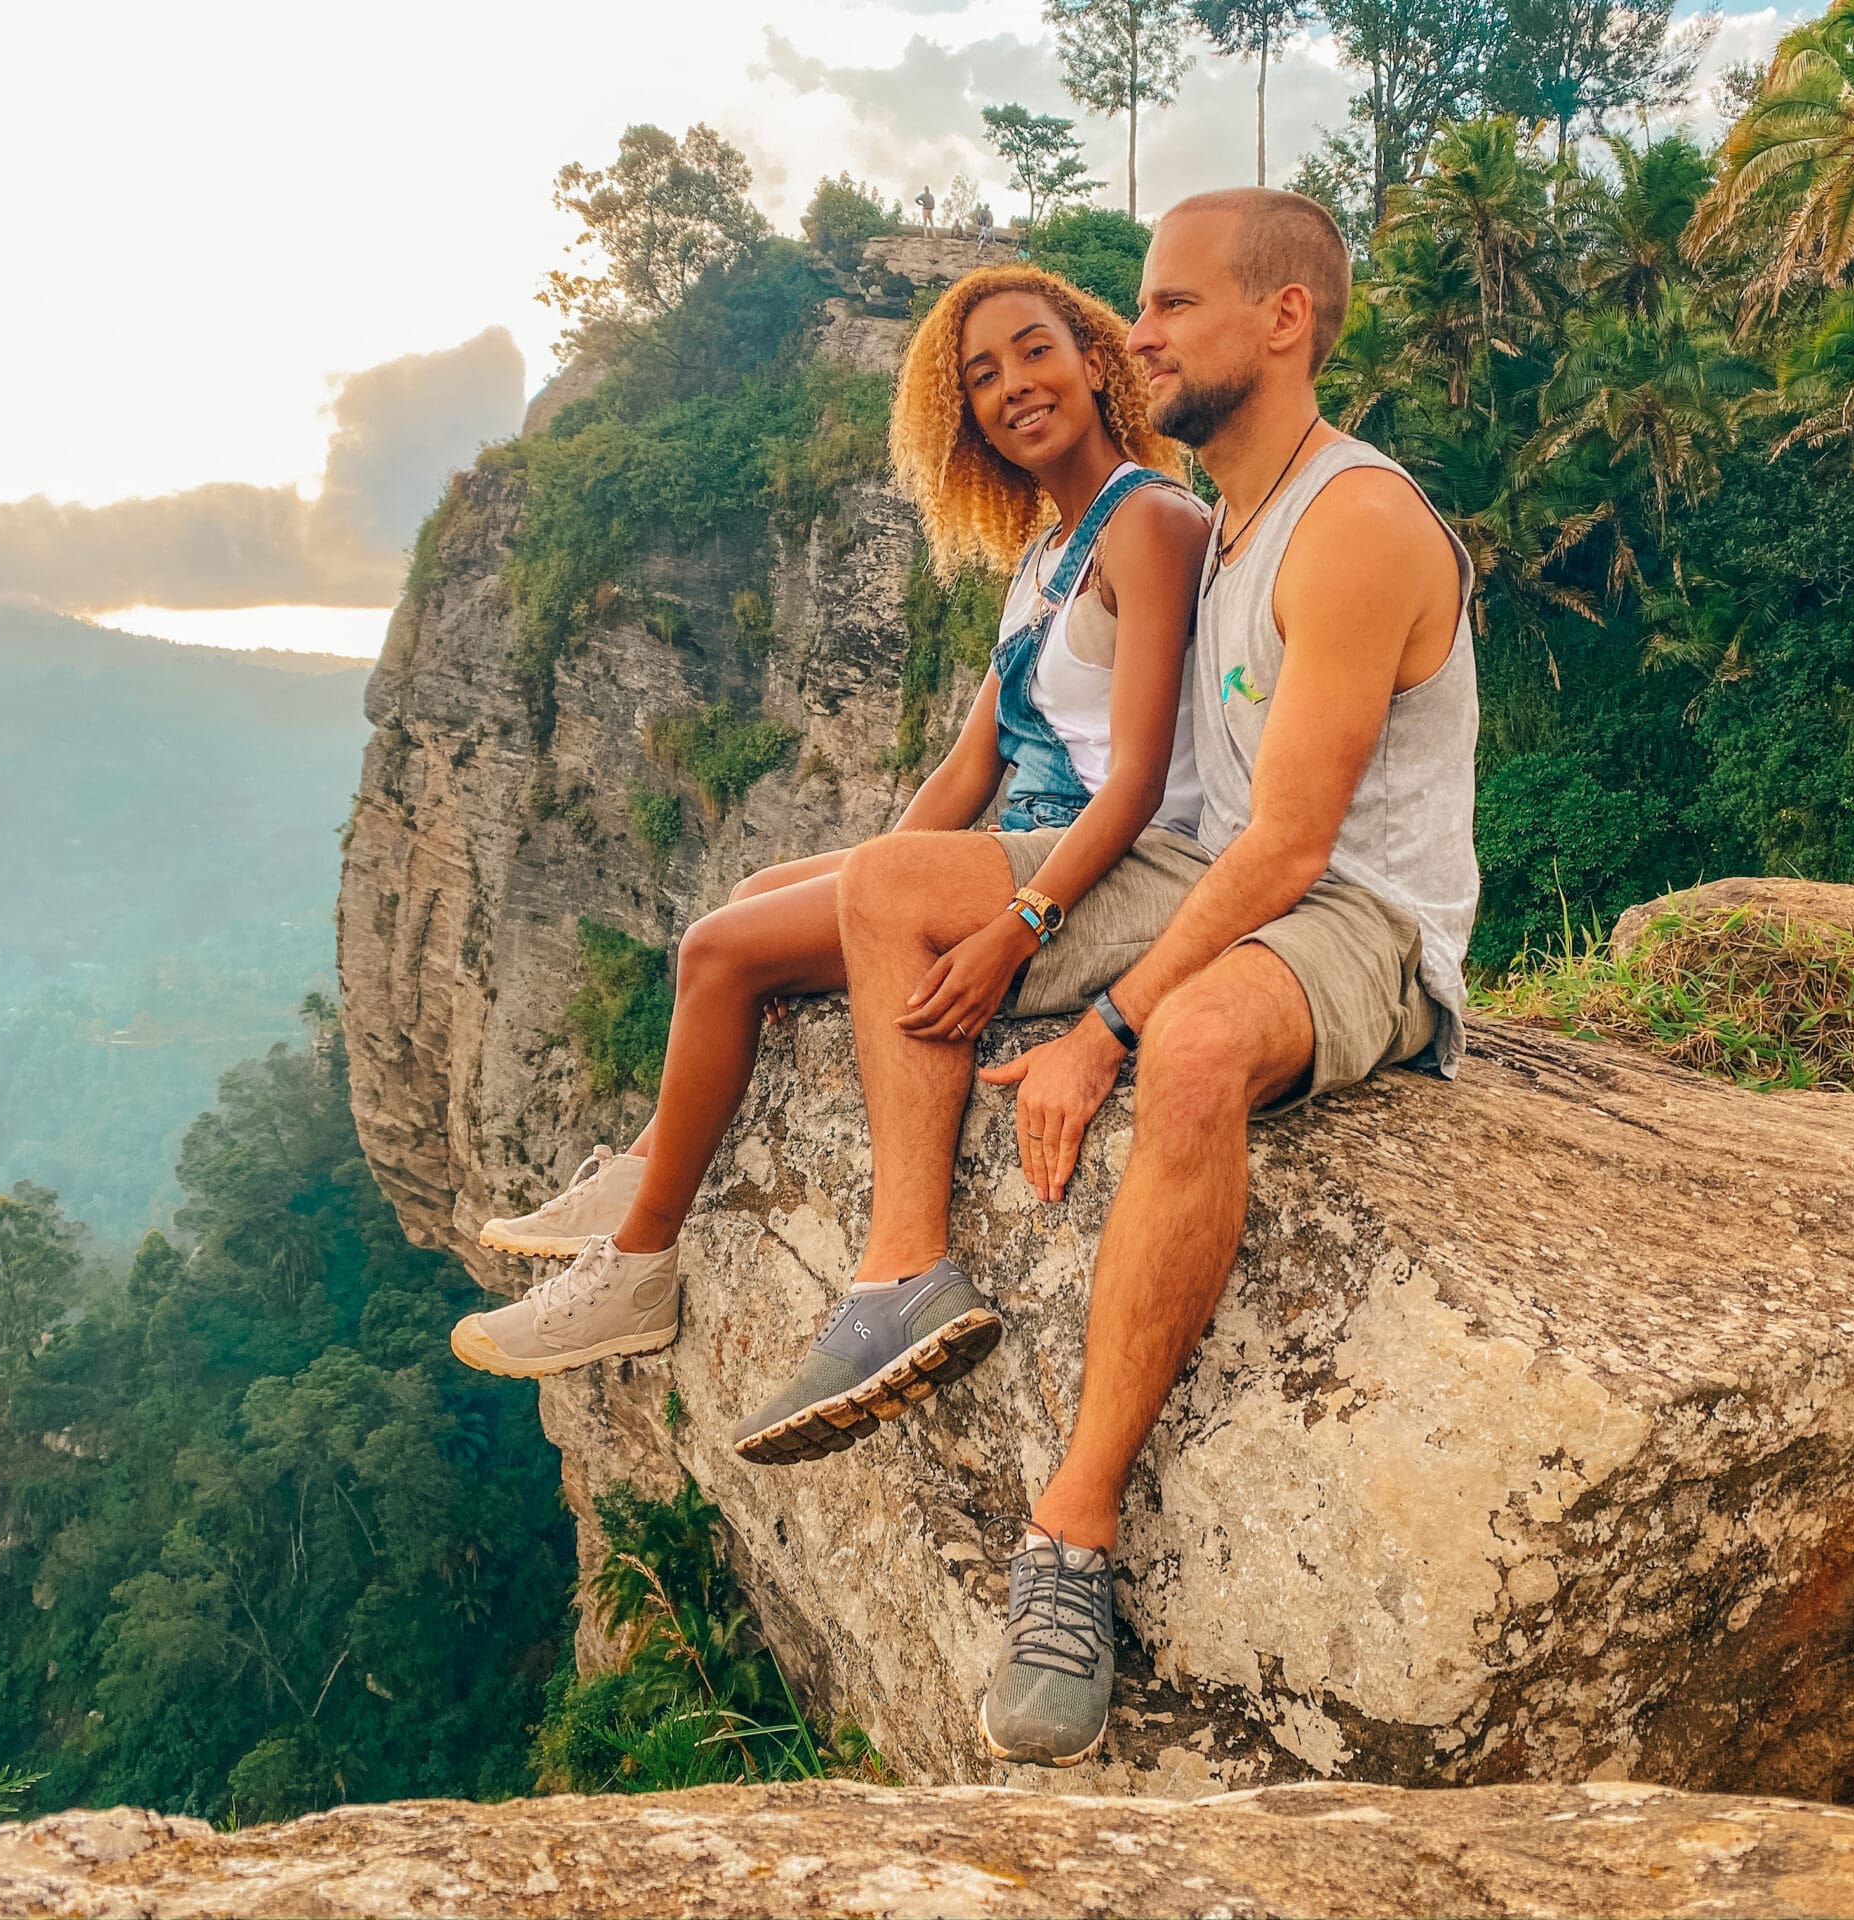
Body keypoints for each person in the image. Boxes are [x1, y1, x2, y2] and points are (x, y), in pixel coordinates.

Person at [736, 188, 1478, 1770]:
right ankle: (906, 1273)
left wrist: (1108, 1032)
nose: (1135, 335)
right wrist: (1011, 914)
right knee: (893, 886)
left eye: (1171, 306)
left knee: (1198, 1051)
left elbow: (1286, 848)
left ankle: (1066, 1544)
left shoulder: (1351, 524)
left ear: (1284, 319)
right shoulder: (1202, 520)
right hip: (1212, 874)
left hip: (1359, 916)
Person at [449, 263, 1212, 1382]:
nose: (1015, 388)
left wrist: (1019, 924)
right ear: (968, 421)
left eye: (1035, 351)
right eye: (982, 377)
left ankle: (639, 1263)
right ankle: (654, 1157)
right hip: (1023, 847)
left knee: (717, 951)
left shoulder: (1148, 522)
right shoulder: (1046, 553)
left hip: (1110, 864)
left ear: (1096, 362)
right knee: (753, 902)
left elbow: (1141, 781)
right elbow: (967, 764)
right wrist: (869, 889)